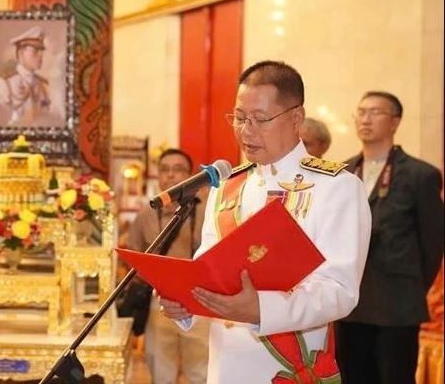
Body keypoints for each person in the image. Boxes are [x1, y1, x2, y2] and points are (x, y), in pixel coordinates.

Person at [158, 60, 372, 383]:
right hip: (226, 369)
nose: (246, 131)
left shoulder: (336, 187)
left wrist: (260, 309)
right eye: (239, 118)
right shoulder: (226, 187)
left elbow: (340, 291)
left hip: (293, 369)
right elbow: (209, 271)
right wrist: (185, 304)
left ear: (296, 118)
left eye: (260, 119)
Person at [335, 91, 444, 384]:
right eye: (361, 112)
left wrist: (409, 285)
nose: (365, 119)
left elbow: (432, 245)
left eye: (375, 112)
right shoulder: (341, 173)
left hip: (397, 306)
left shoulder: (421, 175)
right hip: (350, 305)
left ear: (395, 122)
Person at [126, 148, 210, 384]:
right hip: (158, 302)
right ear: (158, 176)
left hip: (199, 301)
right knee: (161, 371)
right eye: (165, 170)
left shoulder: (206, 211)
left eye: (178, 170)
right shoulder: (146, 214)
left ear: (190, 175)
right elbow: (132, 253)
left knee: (200, 372)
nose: (171, 176)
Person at [0, 26, 52, 126]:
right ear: (20, 53)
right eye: (35, 50)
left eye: (42, 50)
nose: (41, 55)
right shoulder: (3, 84)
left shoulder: (43, 85)